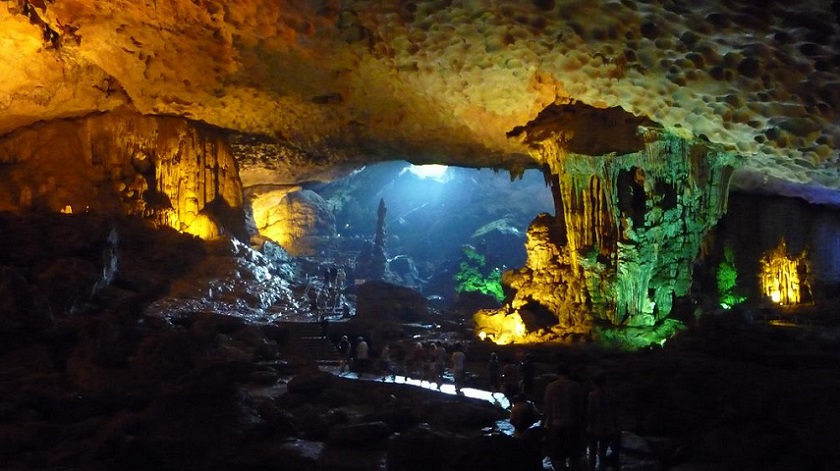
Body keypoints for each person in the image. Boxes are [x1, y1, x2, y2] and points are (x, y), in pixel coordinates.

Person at [543, 363, 585, 471]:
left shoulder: (551, 387)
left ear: (557, 372)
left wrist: (547, 423)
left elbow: (547, 407)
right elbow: (580, 407)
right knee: (574, 456)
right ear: (569, 372)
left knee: (558, 456)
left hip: (556, 425)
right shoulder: (575, 386)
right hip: (572, 425)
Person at [586, 374, 620, 471]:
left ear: (594, 383)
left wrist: (589, 426)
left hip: (594, 428)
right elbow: (614, 413)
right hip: (607, 428)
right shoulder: (611, 395)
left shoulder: (592, 395)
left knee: (592, 453)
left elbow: (590, 412)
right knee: (602, 453)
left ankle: (591, 469)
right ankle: (602, 468)